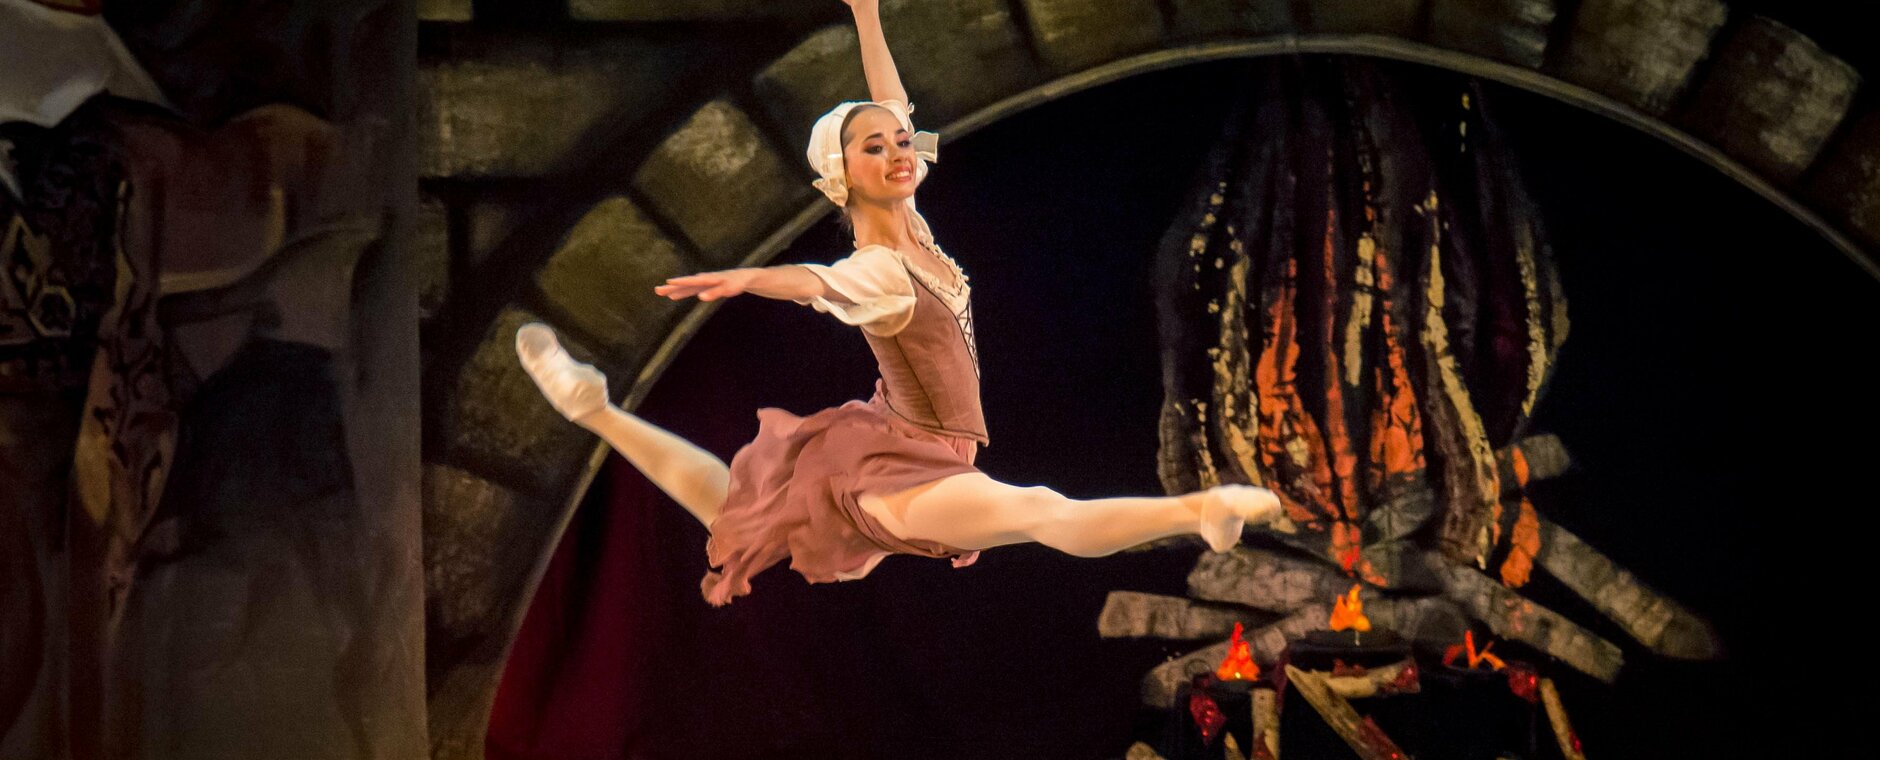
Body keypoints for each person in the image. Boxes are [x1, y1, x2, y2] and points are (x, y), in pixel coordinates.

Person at [517, 0, 1290, 607]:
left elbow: (894, 103)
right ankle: (1201, 510)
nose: (898, 152)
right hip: (895, 470)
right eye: (874, 148)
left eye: (899, 143)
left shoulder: (912, 224)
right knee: (1040, 510)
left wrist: (867, 16)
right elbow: (815, 281)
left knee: (732, 509)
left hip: (904, 438)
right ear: (840, 178)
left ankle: (592, 408)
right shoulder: (879, 270)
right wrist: (750, 280)